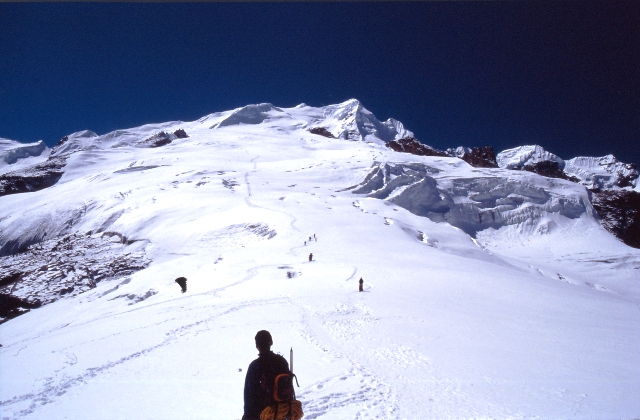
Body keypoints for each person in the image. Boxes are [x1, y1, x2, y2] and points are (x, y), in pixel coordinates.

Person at [242, 330, 289, 420]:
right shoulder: (282, 361)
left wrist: (247, 416)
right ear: (271, 342)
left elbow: (249, 396)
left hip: (262, 414)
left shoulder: (255, 366)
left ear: (257, 346)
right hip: (281, 412)